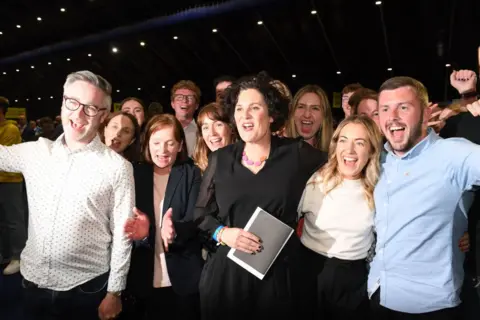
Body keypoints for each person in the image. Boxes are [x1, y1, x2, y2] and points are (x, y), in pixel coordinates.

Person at [166, 72, 328, 319]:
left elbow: (341, 168)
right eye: (240, 109)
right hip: (226, 278)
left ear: (272, 115)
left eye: (254, 107)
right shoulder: (221, 158)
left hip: (278, 279)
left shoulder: (297, 154)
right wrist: (223, 233)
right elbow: (201, 213)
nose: (245, 115)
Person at [0, 71, 135, 320]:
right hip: (33, 284)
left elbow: (123, 235)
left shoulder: (118, 168)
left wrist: (114, 292)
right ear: (63, 102)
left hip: (85, 290)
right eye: (72, 102)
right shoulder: (36, 152)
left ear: (103, 115)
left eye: (90, 108)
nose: (78, 114)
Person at [368, 76, 480, 319]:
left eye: (404, 107)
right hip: (378, 294)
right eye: (385, 109)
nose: (393, 116)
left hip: (429, 307)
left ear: (425, 113)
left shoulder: (454, 154)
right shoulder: (378, 159)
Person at [296, 115, 383, 320]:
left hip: (352, 280)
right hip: (309, 271)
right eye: (343, 140)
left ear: (371, 150)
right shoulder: (315, 179)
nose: (350, 150)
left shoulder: (381, 189)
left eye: (359, 143)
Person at [122, 114, 203, 320]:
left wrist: (175, 230)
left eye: (170, 143)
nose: (163, 150)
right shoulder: (134, 174)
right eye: (156, 143)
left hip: (182, 276)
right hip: (143, 276)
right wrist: (143, 234)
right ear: (147, 143)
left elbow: (196, 220)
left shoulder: (190, 173)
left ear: (180, 145)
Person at [0, 96, 26, 275]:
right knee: (2, 221)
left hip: (10, 181)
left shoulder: (11, 129)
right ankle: (5, 254)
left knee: (14, 220)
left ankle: (19, 257)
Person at [285, 84, 334, 151]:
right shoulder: (276, 152)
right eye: (301, 107)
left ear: (324, 116)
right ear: (292, 113)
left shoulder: (334, 155)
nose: (307, 115)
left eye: (315, 108)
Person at [193, 103, 234, 173]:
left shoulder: (245, 165)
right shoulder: (198, 171)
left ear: (231, 128)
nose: (212, 133)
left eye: (218, 125)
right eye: (206, 127)